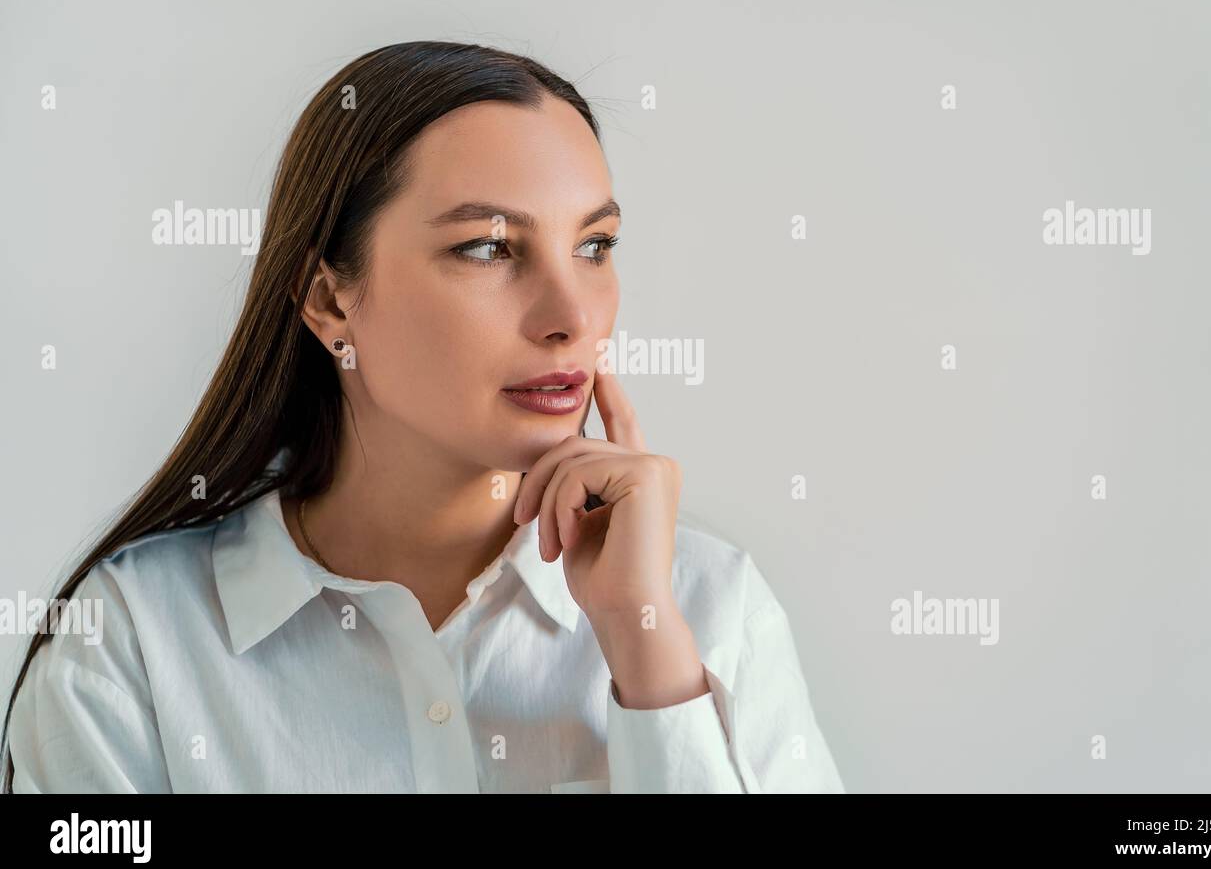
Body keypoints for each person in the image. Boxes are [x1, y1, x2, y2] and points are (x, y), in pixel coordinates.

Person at [2, 42, 844, 793]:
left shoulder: (711, 604)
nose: (570, 317)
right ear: (330, 300)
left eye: (594, 246)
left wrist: (645, 645)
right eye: (489, 247)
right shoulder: (131, 644)